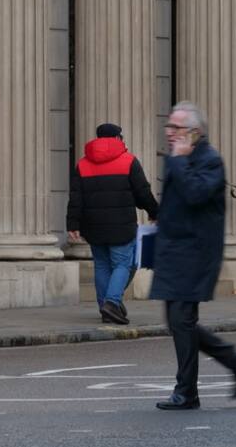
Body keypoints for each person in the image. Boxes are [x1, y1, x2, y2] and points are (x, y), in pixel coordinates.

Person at [150, 101, 236, 411]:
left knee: (182, 321)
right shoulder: (178, 158)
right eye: (169, 127)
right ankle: (234, 360)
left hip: (195, 253)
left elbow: (195, 195)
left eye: (176, 129)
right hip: (174, 251)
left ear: (194, 132)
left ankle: (187, 392)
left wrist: (179, 162)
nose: (170, 133)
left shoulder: (209, 160)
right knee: (176, 322)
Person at [66, 123, 158, 325]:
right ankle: (112, 302)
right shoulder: (129, 161)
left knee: (101, 265)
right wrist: (154, 211)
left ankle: (106, 307)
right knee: (123, 263)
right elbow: (142, 192)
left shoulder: (82, 165)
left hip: (93, 225)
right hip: (122, 225)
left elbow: (76, 198)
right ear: (117, 138)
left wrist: (72, 223)